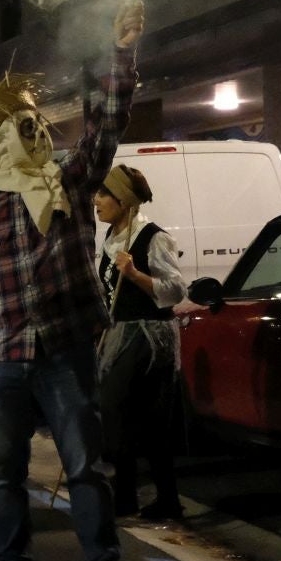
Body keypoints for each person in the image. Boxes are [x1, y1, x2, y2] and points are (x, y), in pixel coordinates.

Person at [0, 0, 144, 561]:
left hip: (65, 351)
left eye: (33, 124)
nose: (31, 132)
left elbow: (106, 126)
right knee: (3, 474)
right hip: (0, 360)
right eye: (17, 125)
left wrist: (120, 54)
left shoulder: (72, 181)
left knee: (85, 470)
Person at [92, 164, 188, 520]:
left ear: (123, 201)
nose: (96, 201)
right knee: (131, 417)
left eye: (103, 194)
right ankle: (132, 497)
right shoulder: (111, 238)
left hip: (149, 338)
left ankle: (158, 498)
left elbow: (175, 291)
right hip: (119, 334)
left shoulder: (153, 237)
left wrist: (134, 275)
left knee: (121, 410)